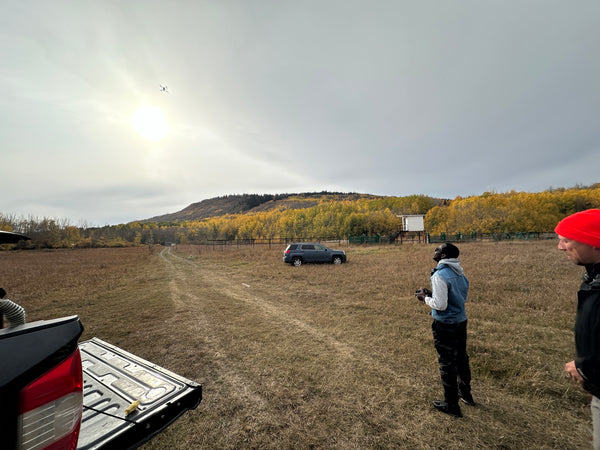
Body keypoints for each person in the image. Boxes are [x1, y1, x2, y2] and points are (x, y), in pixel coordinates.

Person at [555, 209, 600, 448]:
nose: (561, 247)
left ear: (595, 242)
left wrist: (587, 366)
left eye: (567, 239)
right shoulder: (593, 278)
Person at [415, 242, 473, 418]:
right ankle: (466, 394)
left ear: (443, 256)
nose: (434, 251)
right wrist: (433, 294)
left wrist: (425, 298)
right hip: (460, 321)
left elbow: (440, 305)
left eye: (437, 250)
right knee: (461, 358)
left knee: (447, 363)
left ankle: (451, 404)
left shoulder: (440, 275)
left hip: (445, 324)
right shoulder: (460, 273)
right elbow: (458, 297)